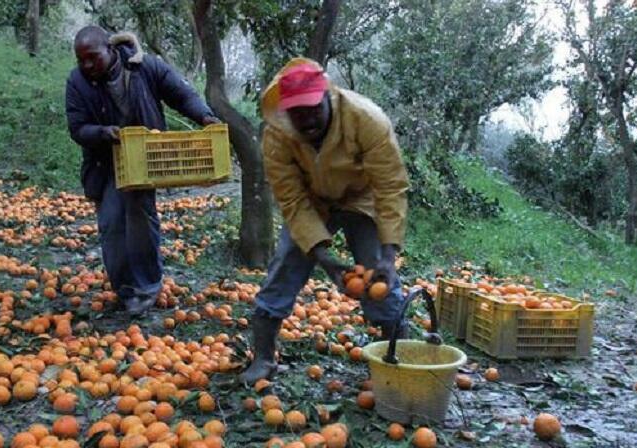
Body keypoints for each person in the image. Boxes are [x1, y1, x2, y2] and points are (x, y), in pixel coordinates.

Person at [240, 58, 411, 384]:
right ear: (285, 111)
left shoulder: (366, 119)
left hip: (361, 197)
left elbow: (390, 187)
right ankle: (263, 357)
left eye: (312, 108)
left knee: (377, 273)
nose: (306, 120)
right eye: (297, 112)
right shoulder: (278, 135)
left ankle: (397, 356)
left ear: (327, 97)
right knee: (287, 262)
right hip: (312, 201)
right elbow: (291, 198)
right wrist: (323, 258)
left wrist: (389, 256)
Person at [65, 26, 219, 316]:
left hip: (143, 158)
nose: (87, 65)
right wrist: (102, 132)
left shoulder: (144, 66)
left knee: (139, 219)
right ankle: (125, 290)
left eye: (92, 58)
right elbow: (77, 128)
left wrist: (204, 116)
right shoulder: (77, 82)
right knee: (112, 223)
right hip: (105, 162)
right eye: (81, 60)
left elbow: (181, 94)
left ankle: (147, 287)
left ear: (110, 50)